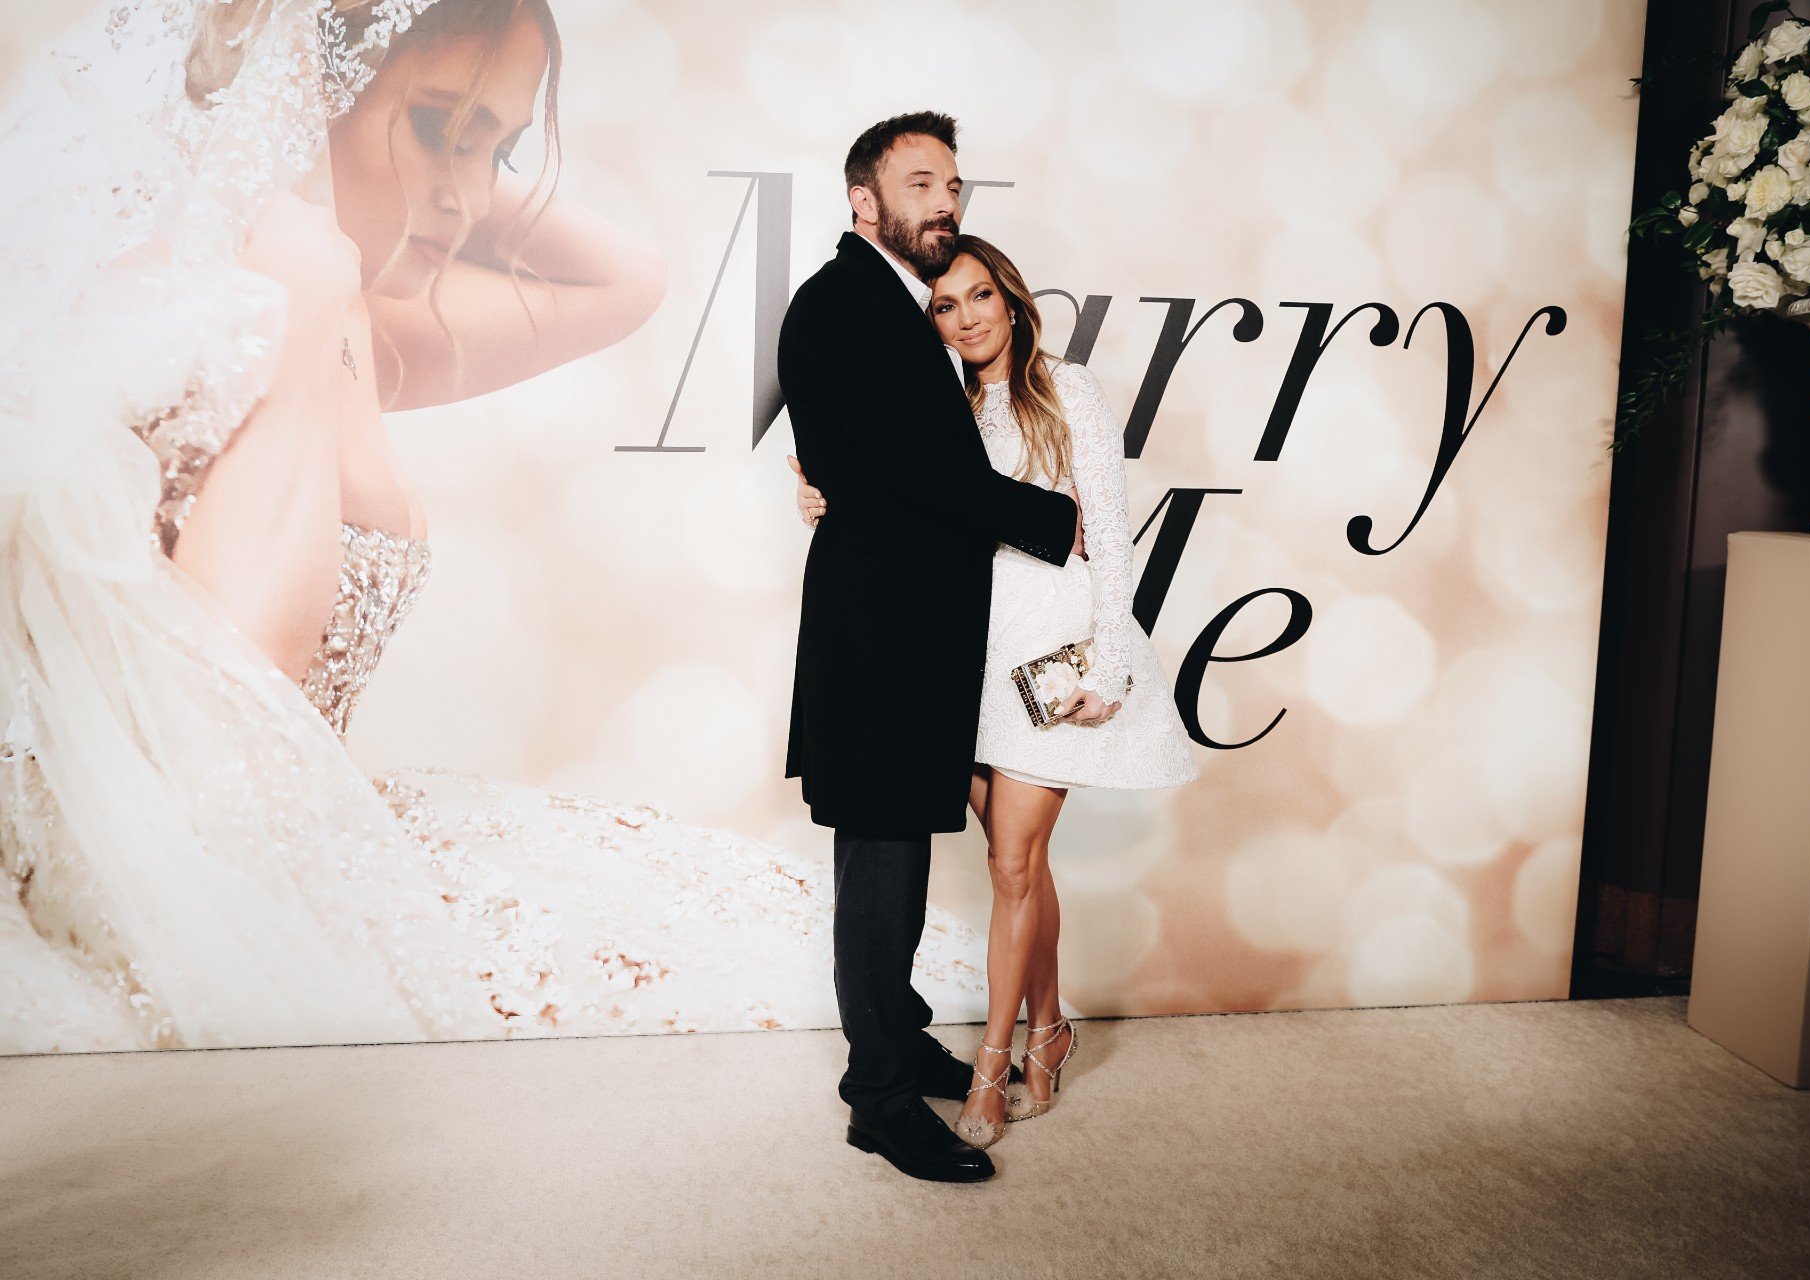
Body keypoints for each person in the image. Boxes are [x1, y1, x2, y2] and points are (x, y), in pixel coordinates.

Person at [0, 0, 985, 1056]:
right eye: (434, 128)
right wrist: (307, 217)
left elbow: (630, 279)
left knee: (790, 938)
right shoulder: (218, 303)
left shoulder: (349, 307)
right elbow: (229, 722)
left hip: (318, 847)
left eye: (498, 149)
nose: (467, 199)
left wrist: (391, 153)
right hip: (208, 890)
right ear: (310, 95)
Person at [793, 235, 1199, 1149]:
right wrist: (821, 494)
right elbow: (909, 491)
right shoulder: (945, 406)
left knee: (1013, 866)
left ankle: (991, 1068)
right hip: (966, 655)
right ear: (931, 323)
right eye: (945, 305)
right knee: (1022, 865)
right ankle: (1049, 1031)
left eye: (981, 296)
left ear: (1012, 301)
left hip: (1050, 652)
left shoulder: (1068, 388)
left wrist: (1109, 665)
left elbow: (1112, 533)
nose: (967, 316)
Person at [777, 112, 1081, 1183]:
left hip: (912, 638)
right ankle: (880, 1099)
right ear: (864, 200)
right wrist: (1061, 521)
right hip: (879, 643)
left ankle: (897, 1043)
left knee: (897, 854)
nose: (945, 202)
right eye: (920, 183)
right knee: (882, 867)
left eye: (953, 184)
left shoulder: (895, 306)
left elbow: (879, 464)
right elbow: (921, 472)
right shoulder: (842, 303)